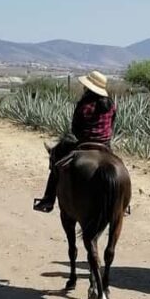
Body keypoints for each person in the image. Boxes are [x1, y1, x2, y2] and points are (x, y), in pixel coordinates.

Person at [33, 70, 116, 213]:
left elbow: (75, 127)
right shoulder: (111, 105)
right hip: (105, 144)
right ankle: (120, 203)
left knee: (57, 163)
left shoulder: (84, 104)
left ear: (88, 87)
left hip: (84, 142)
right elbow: (112, 125)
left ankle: (48, 199)